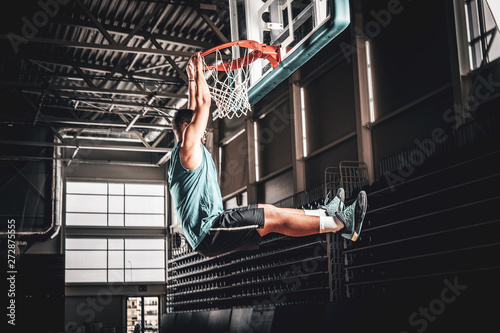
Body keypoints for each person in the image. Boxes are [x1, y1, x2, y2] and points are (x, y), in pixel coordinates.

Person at [167, 52, 367, 258]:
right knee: (271, 218)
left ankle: (324, 214)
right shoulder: (188, 146)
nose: (203, 134)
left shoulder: (181, 152)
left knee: (269, 212)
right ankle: (340, 224)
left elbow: (191, 110)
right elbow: (203, 105)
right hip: (208, 232)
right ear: (186, 128)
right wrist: (200, 72)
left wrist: (192, 79)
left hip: (212, 227)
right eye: (197, 128)